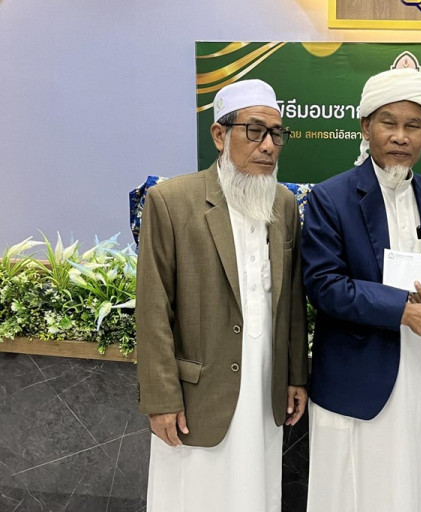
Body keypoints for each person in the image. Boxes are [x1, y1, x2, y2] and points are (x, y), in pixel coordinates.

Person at [135, 79, 308, 512]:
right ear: (219, 134)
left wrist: (295, 376)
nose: (268, 145)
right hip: (198, 395)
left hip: (265, 386)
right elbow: (153, 309)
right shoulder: (171, 201)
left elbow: (291, 301)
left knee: (256, 492)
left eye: (276, 134)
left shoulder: (284, 204)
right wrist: (161, 399)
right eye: (255, 131)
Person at [301, 68, 421, 512]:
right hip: (355, 374)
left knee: (408, 486)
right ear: (365, 127)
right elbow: (324, 285)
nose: (400, 137)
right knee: (350, 493)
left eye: (414, 126)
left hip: (415, 367)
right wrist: (404, 311)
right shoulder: (330, 197)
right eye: (388, 123)